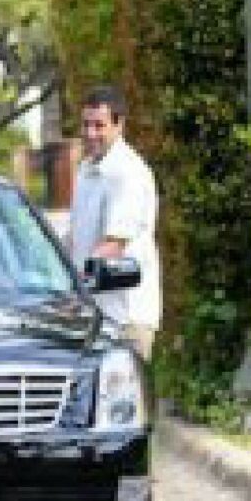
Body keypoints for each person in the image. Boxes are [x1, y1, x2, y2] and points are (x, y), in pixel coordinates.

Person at [68, 85, 162, 360]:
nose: (90, 133)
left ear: (119, 124)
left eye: (99, 125)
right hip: (95, 318)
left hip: (126, 320)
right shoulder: (86, 169)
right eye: (86, 124)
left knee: (125, 402)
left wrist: (71, 285)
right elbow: (74, 240)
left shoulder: (128, 174)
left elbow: (113, 246)